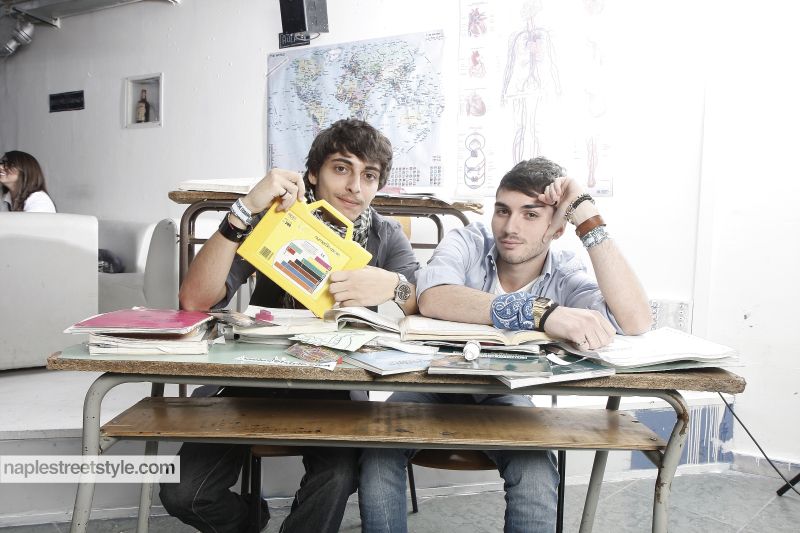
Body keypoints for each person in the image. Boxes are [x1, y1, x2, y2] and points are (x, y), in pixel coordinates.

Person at [358, 156, 651, 533]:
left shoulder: (564, 272)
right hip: (430, 383)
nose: (510, 227)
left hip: (504, 394)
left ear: (557, 229)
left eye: (530, 214)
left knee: (536, 471)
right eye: (503, 210)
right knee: (376, 450)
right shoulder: (470, 240)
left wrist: (587, 216)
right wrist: (537, 312)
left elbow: (635, 320)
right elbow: (433, 296)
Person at [159, 118, 420, 533]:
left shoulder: (385, 235)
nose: (355, 187)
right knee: (184, 493)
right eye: (341, 168)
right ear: (312, 174)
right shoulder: (276, 219)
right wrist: (243, 210)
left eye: (369, 176)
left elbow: (422, 305)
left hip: (335, 382)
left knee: (338, 476)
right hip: (254, 372)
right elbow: (195, 300)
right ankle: (251, 520)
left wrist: (395, 286)